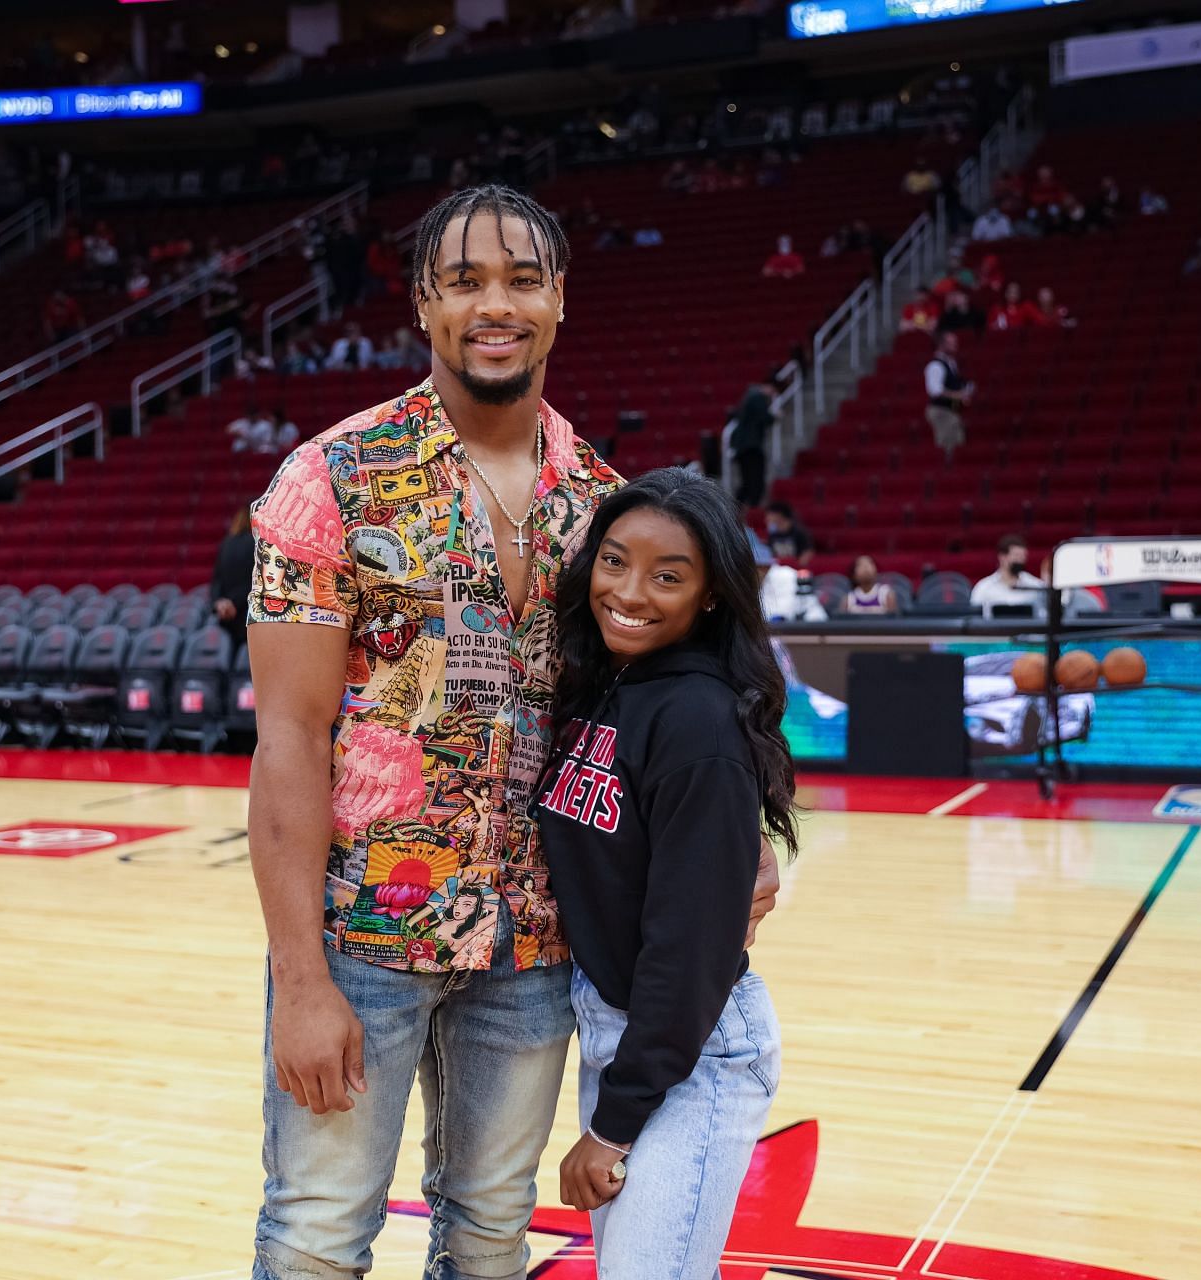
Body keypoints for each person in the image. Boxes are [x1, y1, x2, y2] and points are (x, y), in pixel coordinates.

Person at [242, 186, 779, 1280]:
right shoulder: (330, 479)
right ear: (424, 306)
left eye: (522, 278)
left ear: (560, 299)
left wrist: (742, 831)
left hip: (537, 944)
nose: (497, 304)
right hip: (364, 941)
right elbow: (289, 739)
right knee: (315, 1232)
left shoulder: (606, 503)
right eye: (466, 280)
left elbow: (670, 706)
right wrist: (301, 978)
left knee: (490, 1234)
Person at [533, 467, 796, 1268]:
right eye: (614, 561)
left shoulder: (699, 725)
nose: (631, 592)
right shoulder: (608, 688)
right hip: (625, 1031)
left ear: (711, 594)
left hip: (691, 1047)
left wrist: (614, 1122)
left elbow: (688, 947)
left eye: (668, 576)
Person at [213, 503, 256, 651]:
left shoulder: (226, 543)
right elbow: (254, 581)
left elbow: (216, 581)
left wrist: (220, 603)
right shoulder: (256, 543)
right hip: (247, 612)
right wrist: (235, 603)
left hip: (226, 615)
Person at [924, 333, 973, 463]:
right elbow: (935, 390)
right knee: (948, 445)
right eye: (951, 343)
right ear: (941, 345)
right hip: (941, 411)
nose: (955, 346)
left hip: (951, 410)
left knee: (957, 442)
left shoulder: (951, 364)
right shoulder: (935, 365)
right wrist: (958, 395)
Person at [727, 384, 775, 509]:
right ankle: (753, 507)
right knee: (755, 479)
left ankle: (736, 508)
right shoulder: (757, 397)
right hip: (751, 446)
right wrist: (775, 416)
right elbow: (765, 417)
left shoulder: (748, 397)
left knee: (747, 481)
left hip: (743, 447)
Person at [970, 534, 1045, 611]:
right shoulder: (984, 588)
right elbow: (974, 616)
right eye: (1016, 556)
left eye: (1023, 556)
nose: (1021, 560)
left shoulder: (1036, 586)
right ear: (1002, 557)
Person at [762, 501, 813, 568]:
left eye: (769, 515)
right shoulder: (773, 535)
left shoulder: (799, 532)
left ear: (778, 515)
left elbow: (808, 552)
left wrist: (798, 566)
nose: (766, 519)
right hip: (778, 571)